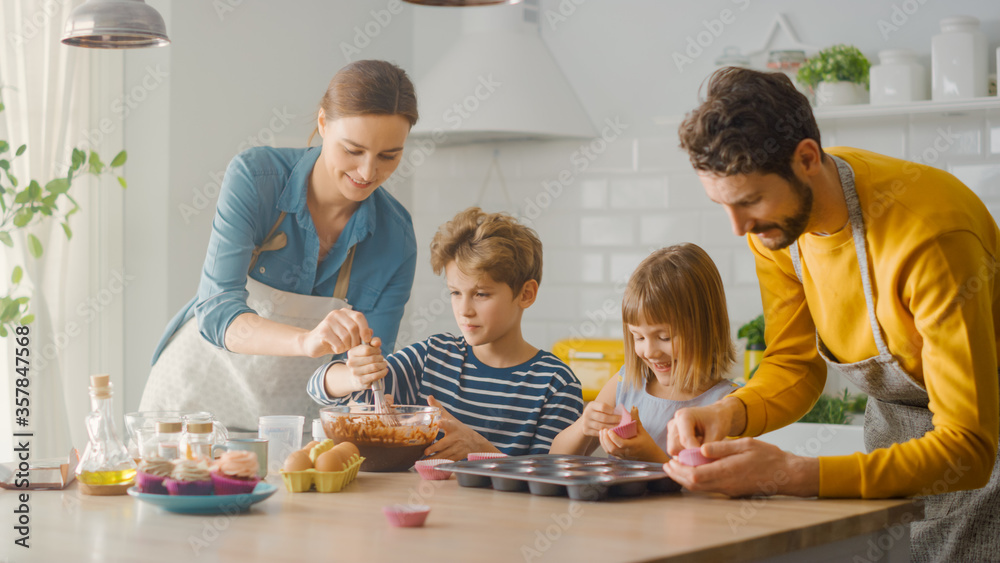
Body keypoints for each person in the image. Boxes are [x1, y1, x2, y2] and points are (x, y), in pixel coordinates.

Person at [664, 66, 1000, 562]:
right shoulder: (775, 228)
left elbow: (969, 447)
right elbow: (794, 366)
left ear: (806, 158)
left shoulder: (929, 237)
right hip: (895, 443)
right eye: (723, 205)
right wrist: (728, 413)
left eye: (750, 201)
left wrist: (797, 474)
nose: (738, 228)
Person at [139, 60, 420, 431]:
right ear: (323, 124)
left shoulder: (395, 241)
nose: (368, 172)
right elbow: (216, 310)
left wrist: (358, 372)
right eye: (353, 150)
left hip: (290, 426)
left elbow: (359, 375)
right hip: (192, 404)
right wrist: (308, 342)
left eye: (389, 156)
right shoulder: (256, 179)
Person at [308, 207, 584, 459]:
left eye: (481, 294)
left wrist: (481, 450)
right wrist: (355, 375)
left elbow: (549, 482)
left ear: (526, 294)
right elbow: (319, 387)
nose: (464, 310)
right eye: (455, 293)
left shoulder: (555, 384)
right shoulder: (434, 357)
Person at [550, 244, 737, 462]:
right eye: (638, 337)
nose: (649, 352)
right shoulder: (626, 382)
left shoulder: (727, 405)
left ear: (707, 327)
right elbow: (556, 458)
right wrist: (583, 426)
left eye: (664, 337)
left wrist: (653, 457)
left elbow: (714, 489)